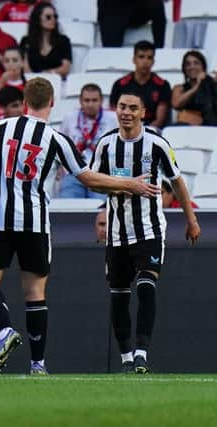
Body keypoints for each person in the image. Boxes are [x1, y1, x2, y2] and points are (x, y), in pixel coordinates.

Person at [0, 77, 161, 375]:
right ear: (53, 103)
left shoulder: (0, 127)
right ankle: (38, 364)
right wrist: (128, 184)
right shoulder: (56, 138)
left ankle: (5, 330)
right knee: (35, 292)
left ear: (25, 101)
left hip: (0, 220)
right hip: (36, 225)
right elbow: (87, 178)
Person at [90, 91, 200, 374]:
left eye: (133, 108)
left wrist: (191, 220)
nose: (126, 112)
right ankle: (126, 358)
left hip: (149, 229)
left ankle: (141, 354)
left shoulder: (157, 144)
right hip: (116, 232)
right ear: (116, 109)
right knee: (119, 295)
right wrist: (126, 185)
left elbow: (177, 182)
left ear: (143, 112)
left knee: (147, 285)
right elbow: (93, 183)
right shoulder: (105, 144)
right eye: (122, 107)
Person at [58, 83, 118, 199]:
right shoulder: (69, 118)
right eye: (87, 100)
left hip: (101, 173)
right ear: (80, 101)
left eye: (94, 100)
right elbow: (61, 145)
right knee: (66, 207)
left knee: (99, 208)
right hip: (74, 173)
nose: (90, 104)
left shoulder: (113, 119)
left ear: (101, 101)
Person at [109, 41, 171, 130]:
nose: (145, 61)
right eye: (141, 57)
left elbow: (159, 120)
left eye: (149, 58)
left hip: (151, 131)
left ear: (153, 61)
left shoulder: (163, 85)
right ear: (134, 59)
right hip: (125, 129)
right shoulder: (120, 84)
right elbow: (114, 115)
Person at [20, 1, 72, 79]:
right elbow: (24, 68)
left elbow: (65, 68)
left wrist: (46, 74)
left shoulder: (63, 41)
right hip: (32, 83)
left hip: (56, 81)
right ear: (38, 18)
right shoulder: (26, 41)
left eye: (55, 16)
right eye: (48, 17)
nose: (53, 19)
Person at [171, 50, 217, 126]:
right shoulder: (179, 88)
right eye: (188, 64)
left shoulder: (212, 85)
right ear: (184, 68)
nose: (192, 67)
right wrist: (197, 86)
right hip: (186, 127)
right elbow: (176, 104)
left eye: (196, 63)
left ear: (203, 67)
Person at [97, 0, 166, 49]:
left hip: (139, 7)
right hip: (112, 8)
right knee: (111, 51)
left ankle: (160, 52)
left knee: (156, 5)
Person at [0, 47, 26, 118]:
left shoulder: (29, 86)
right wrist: (1, 83)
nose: (10, 64)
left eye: (15, 60)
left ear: (22, 62)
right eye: (7, 61)